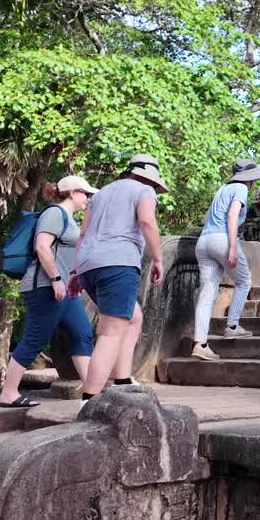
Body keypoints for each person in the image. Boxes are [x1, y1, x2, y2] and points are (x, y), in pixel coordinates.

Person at [70, 154, 167, 406]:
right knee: (111, 332)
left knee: (133, 318)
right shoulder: (144, 190)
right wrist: (158, 258)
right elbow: (146, 220)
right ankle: (89, 398)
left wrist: (73, 272)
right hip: (118, 262)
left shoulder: (100, 194)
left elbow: (83, 233)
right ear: (149, 179)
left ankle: (122, 379)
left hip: (88, 264)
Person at [0, 175, 100, 408]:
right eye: (86, 193)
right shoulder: (54, 213)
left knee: (82, 333)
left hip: (65, 289)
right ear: (73, 193)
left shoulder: (72, 220)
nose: (88, 198)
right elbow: (42, 247)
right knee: (36, 339)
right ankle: (9, 393)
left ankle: (92, 393)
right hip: (45, 287)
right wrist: (55, 279)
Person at [190, 160, 260, 361]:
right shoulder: (240, 188)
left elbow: (207, 217)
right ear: (249, 179)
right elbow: (233, 216)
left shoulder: (222, 189)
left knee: (207, 293)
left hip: (204, 241)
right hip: (221, 239)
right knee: (244, 281)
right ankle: (232, 326)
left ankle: (200, 343)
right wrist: (232, 246)